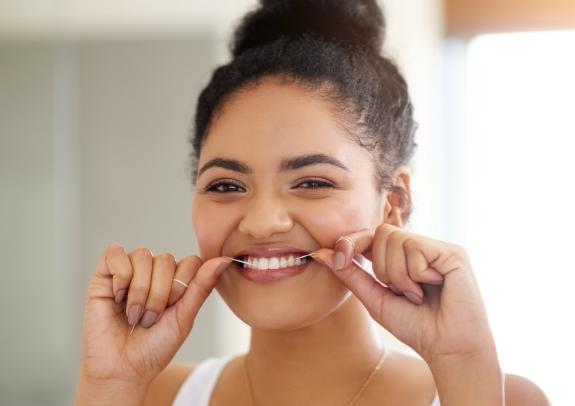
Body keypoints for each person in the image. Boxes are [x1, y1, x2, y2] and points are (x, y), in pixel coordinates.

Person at [75, 1, 550, 405]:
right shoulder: (151, 396)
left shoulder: (495, 395)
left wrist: (464, 368)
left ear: (395, 202)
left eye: (311, 182)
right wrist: (108, 387)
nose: (262, 222)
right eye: (226, 186)